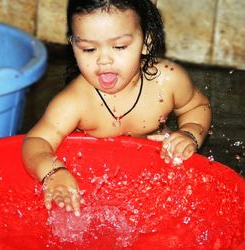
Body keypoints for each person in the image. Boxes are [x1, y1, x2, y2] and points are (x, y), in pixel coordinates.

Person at [22, 0, 211, 217]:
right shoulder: (75, 102)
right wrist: (53, 172)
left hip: (152, 178)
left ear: (146, 42)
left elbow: (197, 106)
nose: (103, 60)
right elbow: (36, 141)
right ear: (73, 45)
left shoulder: (167, 81)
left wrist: (190, 133)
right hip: (93, 184)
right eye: (88, 49)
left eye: (119, 46)